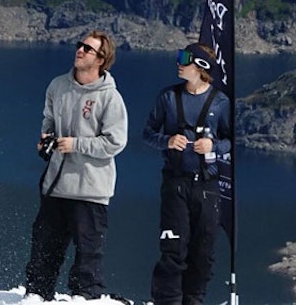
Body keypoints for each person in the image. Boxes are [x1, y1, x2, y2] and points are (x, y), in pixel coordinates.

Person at [23, 31, 129, 301]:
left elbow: (115, 142)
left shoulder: (110, 98)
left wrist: (76, 145)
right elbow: (48, 118)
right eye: (80, 45)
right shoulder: (58, 85)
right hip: (56, 185)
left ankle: (86, 298)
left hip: (90, 190)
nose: (80, 50)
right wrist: (46, 139)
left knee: (88, 255)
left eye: (88, 49)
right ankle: (37, 295)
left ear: (101, 60)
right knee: (44, 250)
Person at [142, 42, 233, 305]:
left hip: (208, 187)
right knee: (173, 249)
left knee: (203, 252)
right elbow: (147, 134)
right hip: (175, 184)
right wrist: (168, 141)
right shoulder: (167, 98)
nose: (178, 62)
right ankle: (167, 301)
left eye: (184, 58)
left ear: (201, 66)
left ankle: (194, 301)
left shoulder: (221, 103)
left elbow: (231, 141)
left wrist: (213, 146)